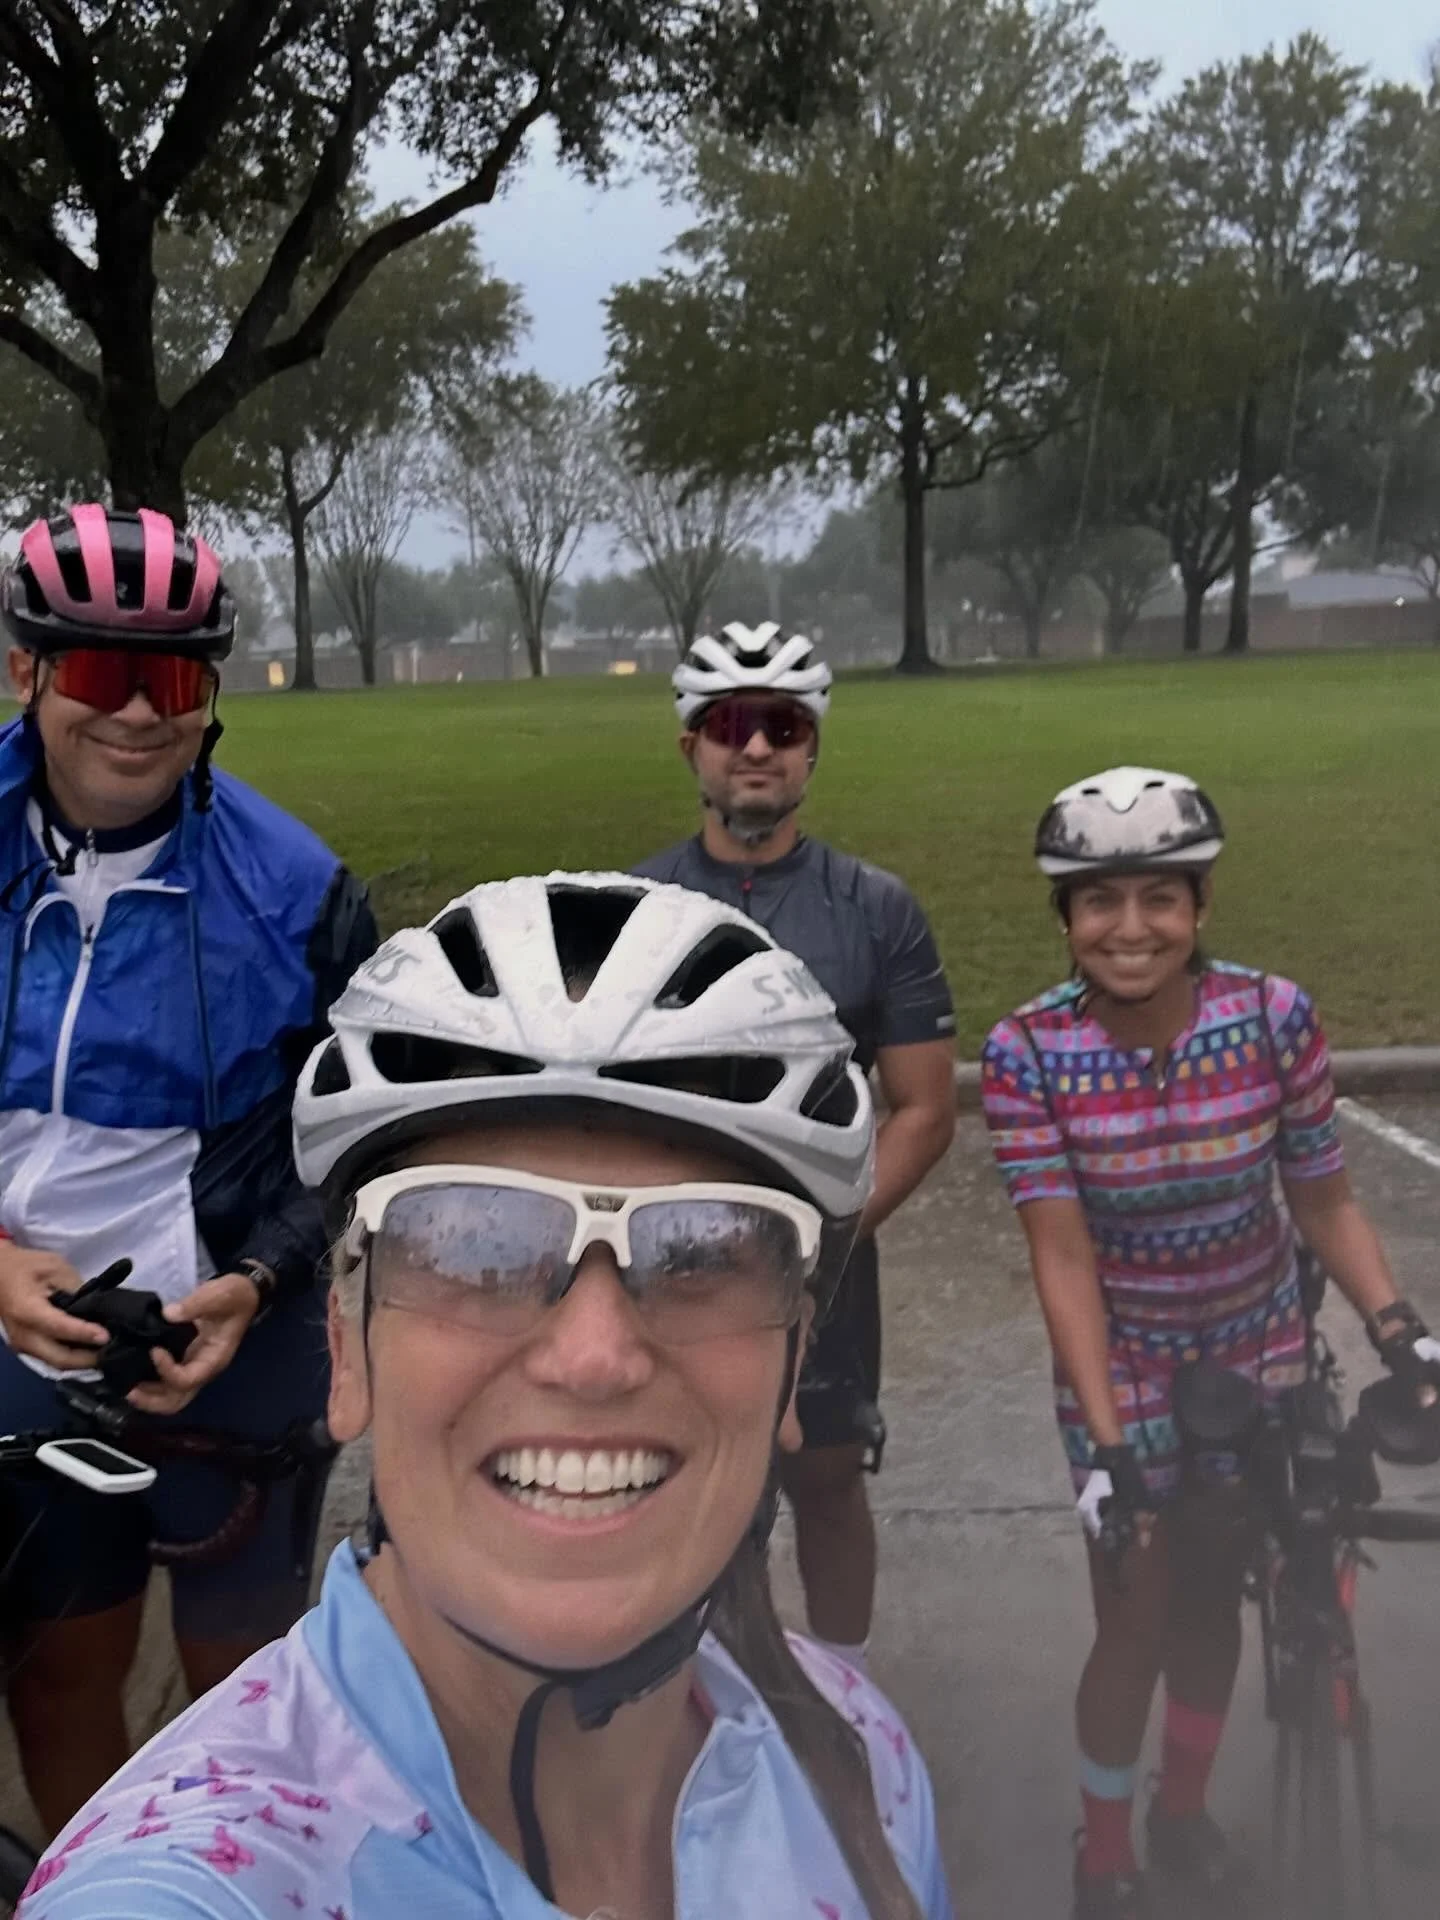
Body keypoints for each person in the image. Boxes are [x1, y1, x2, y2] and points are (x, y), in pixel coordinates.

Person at [22, 873, 953, 1920]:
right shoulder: (191, 1890)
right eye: (473, 1241)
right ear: (348, 1347)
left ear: (797, 1358)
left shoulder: (862, 1761)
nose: (593, 1358)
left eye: (704, 1248)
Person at [980, 766, 1440, 1920]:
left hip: (1254, 1340)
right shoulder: (1025, 1050)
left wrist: (1403, 1334)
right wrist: (1104, 1444)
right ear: (1065, 918)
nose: (1130, 929)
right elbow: (1064, 1255)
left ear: (1201, 907)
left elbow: (1323, 1200)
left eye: (1160, 899)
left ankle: (1180, 1817)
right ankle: (1107, 1846)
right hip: (1121, 1356)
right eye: (1098, 902)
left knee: (1211, 1594)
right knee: (1134, 1607)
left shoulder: (1275, 1017)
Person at [0, 505, 378, 1833]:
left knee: (246, 1701)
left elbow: (354, 1130)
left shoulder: (301, 887)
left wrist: (261, 1280)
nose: (142, 715)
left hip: (227, 1328)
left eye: (179, 680)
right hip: (18, 1325)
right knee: (59, 1678)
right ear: (26, 671)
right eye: (105, 675)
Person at [634, 621, 956, 1665]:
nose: (757, 747)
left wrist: (831, 1231)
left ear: (813, 746)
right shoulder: (634, 905)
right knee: (685, 1476)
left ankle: (842, 1697)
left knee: (824, 1474)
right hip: (674, 1248)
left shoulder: (877, 910)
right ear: (692, 748)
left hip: (827, 1246)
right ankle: (689, 1688)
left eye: (783, 725)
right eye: (731, 724)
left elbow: (922, 1107)